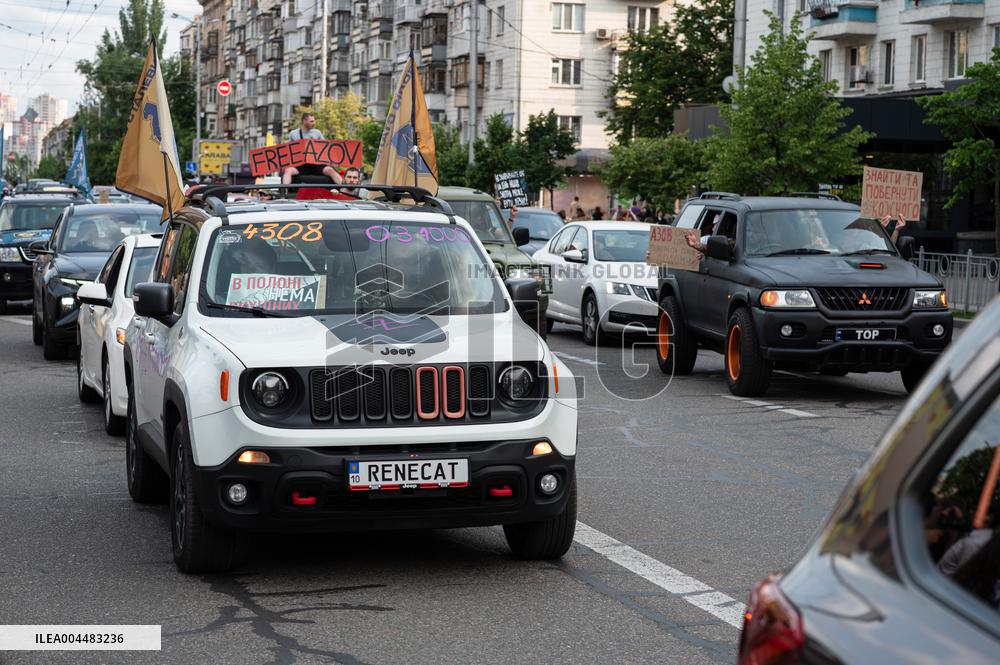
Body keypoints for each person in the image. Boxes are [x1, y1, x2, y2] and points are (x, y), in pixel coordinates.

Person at [281, 113, 343, 186]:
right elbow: (288, 150)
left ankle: (344, 188)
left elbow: (326, 149)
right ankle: (284, 191)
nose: (314, 123)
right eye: (311, 121)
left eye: (314, 121)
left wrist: (316, 144)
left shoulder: (317, 133)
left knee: (330, 170)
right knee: (288, 171)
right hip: (302, 165)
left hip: (316, 164)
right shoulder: (293, 133)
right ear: (304, 121)